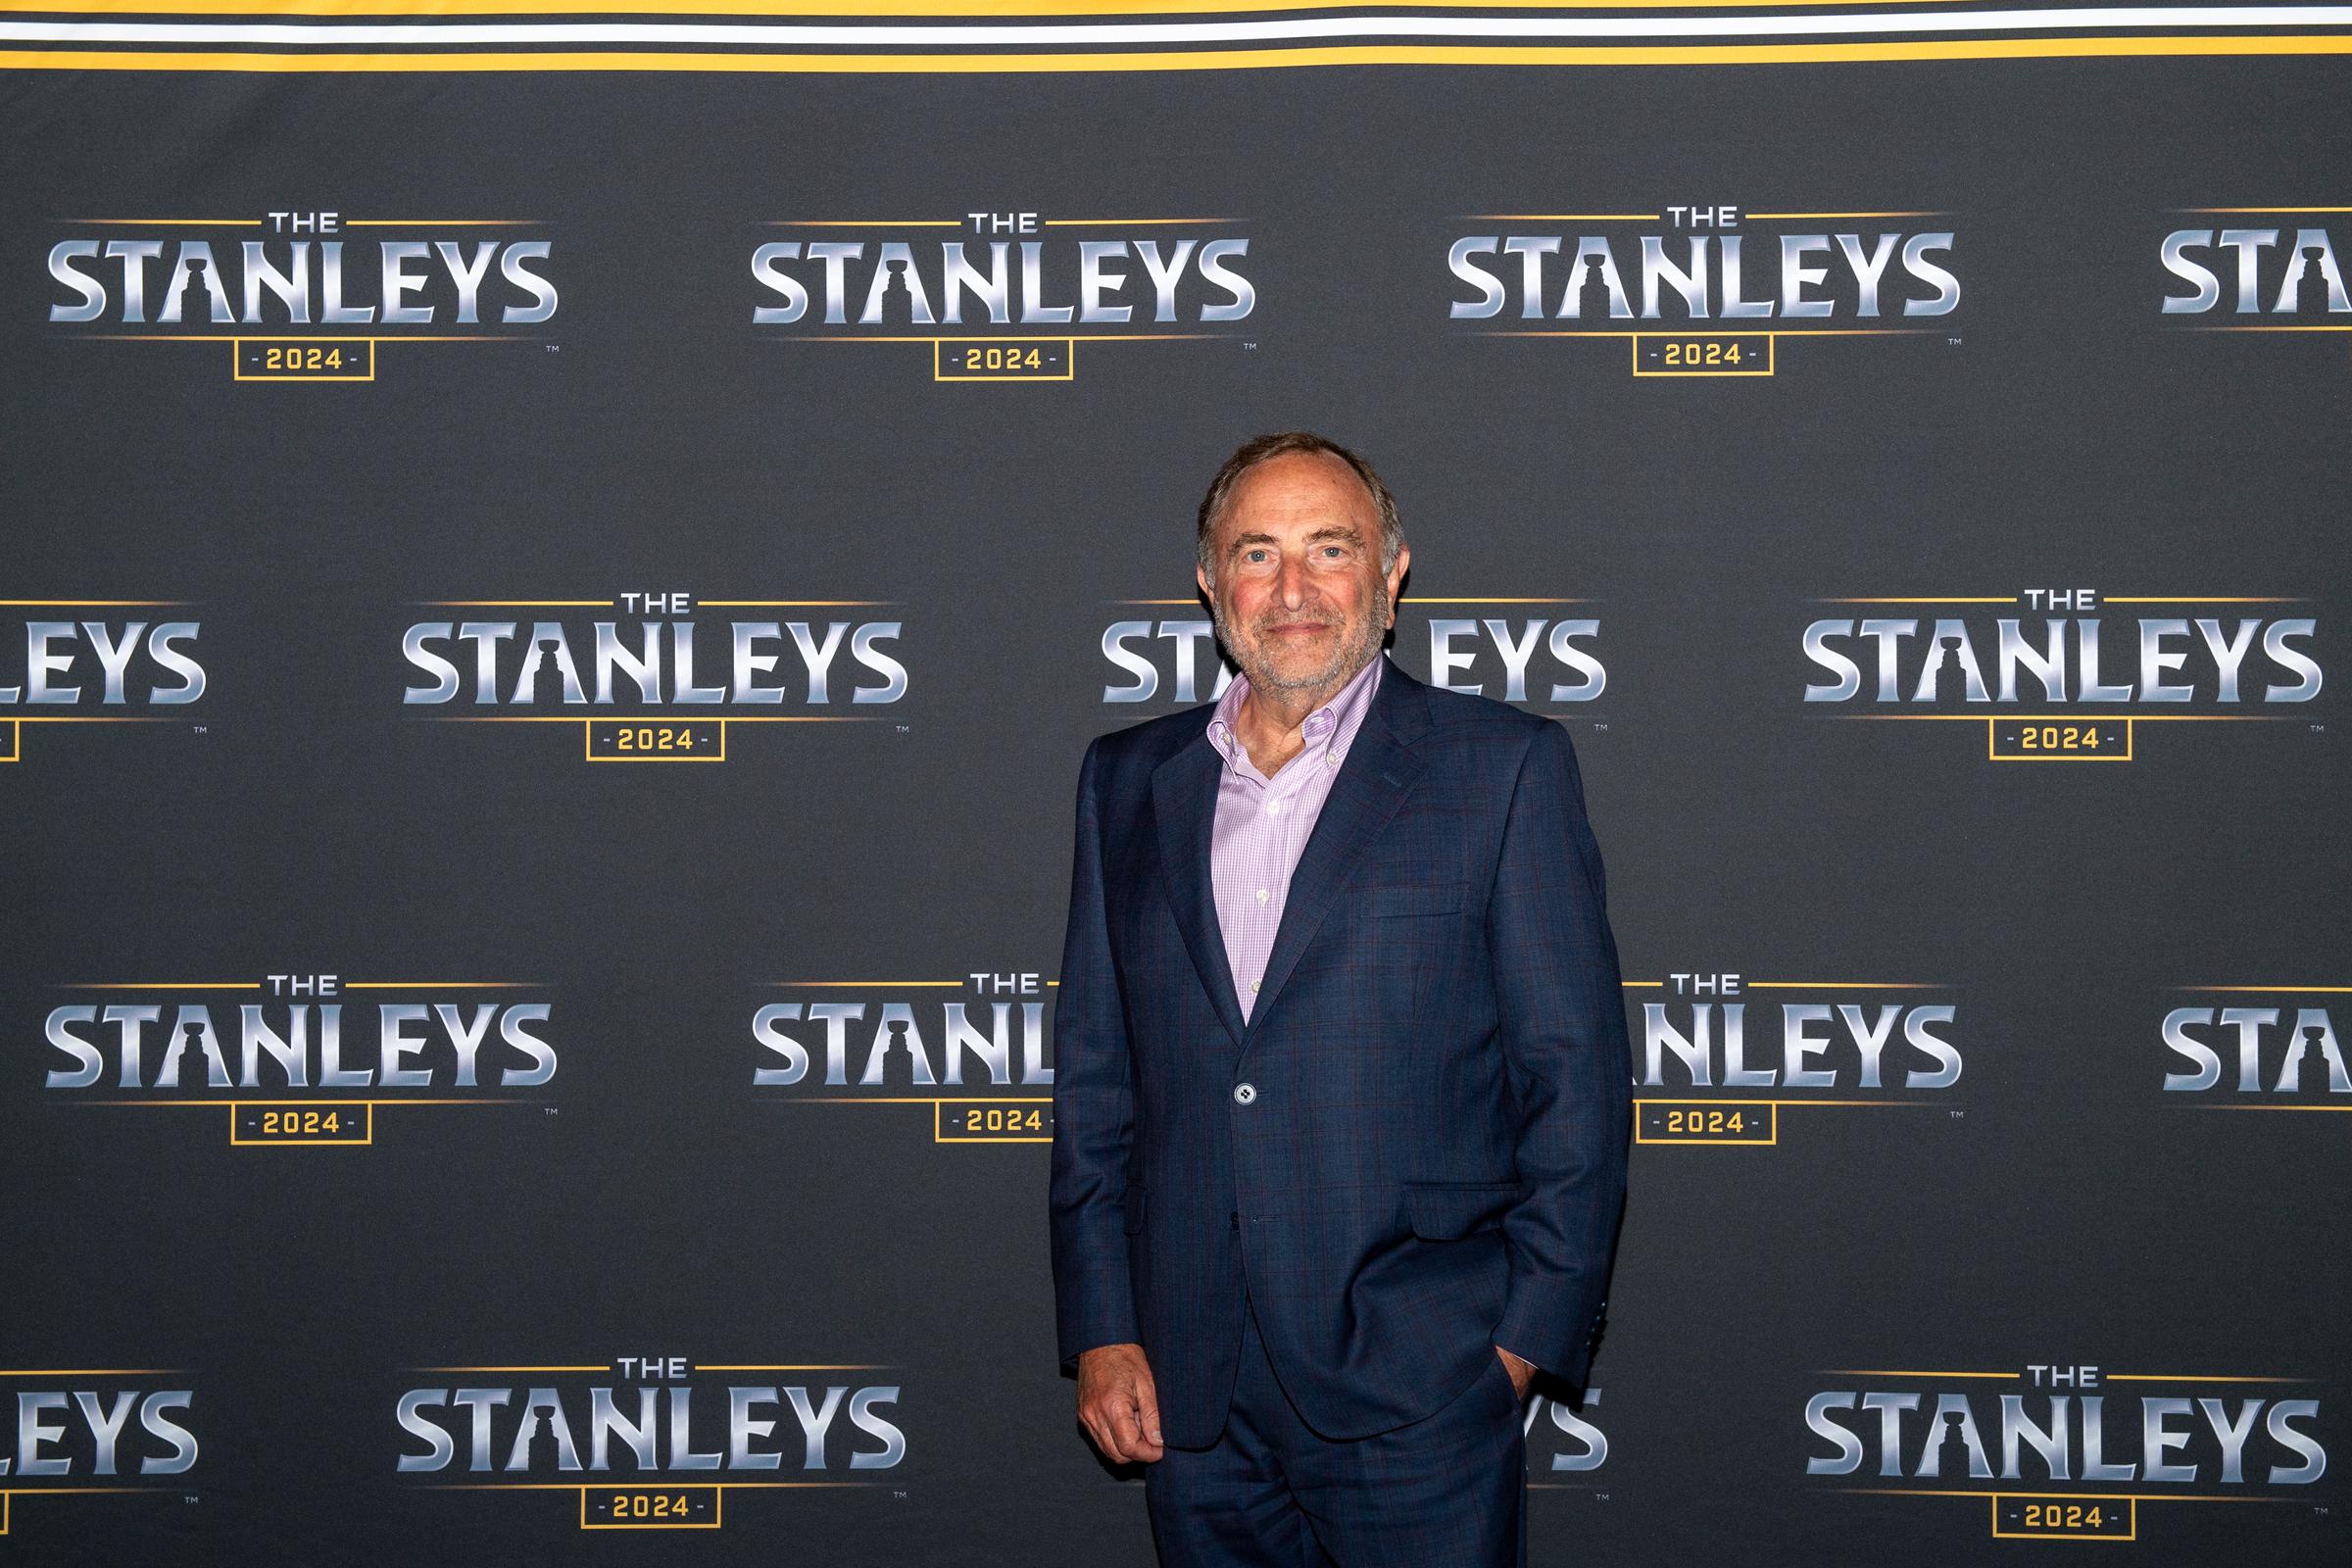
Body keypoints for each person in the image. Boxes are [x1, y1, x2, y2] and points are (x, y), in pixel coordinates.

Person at [1049, 430, 1632, 1566]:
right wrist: (1103, 1327)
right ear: (1212, 583)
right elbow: (1097, 1078)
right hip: (1192, 1384)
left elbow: (1576, 1083)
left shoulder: (1502, 768)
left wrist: (1518, 1349)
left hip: (1420, 1375)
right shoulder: (1125, 780)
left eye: (1331, 548)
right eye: (1258, 553)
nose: (1294, 588)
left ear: (1393, 569)